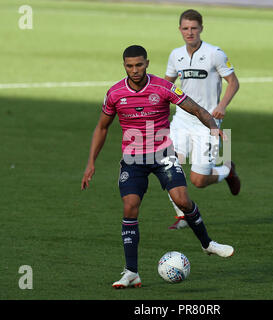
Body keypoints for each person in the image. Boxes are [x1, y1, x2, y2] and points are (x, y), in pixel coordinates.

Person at [81, 45, 234, 289]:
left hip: (163, 153)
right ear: (124, 66)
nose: (135, 70)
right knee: (130, 207)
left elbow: (194, 108)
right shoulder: (114, 93)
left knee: (182, 200)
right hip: (132, 159)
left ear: (147, 63)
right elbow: (102, 127)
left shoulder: (163, 87)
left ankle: (208, 244)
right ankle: (131, 272)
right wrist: (91, 163)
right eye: (130, 66)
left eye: (139, 65)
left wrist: (213, 127)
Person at [165, 9, 241, 230]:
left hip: (207, 123)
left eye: (194, 28)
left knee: (198, 181)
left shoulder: (214, 53)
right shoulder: (176, 55)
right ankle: (182, 216)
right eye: (185, 28)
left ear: (201, 29)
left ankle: (227, 171)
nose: (189, 33)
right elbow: (166, 85)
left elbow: (233, 82)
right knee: (170, 166)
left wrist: (222, 106)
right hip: (181, 120)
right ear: (180, 29)